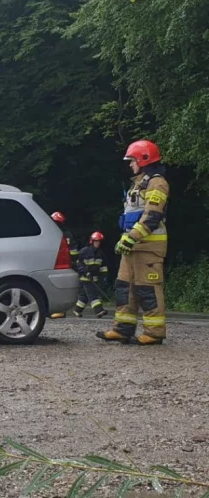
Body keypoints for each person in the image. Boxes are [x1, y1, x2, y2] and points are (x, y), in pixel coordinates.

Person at [96, 140, 169, 345]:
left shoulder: (157, 183)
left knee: (148, 289)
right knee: (124, 288)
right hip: (132, 246)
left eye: (132, 160)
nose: (130, 164)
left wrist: (131, 237)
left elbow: (152, 216)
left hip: (148, 248)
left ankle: (154, 333)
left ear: (144, 159)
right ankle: (122, 329)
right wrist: (127, 239)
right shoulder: (138, 183)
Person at [49, 211, 79, 319]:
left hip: (63, 264)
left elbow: (73, 249)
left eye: (58, 223)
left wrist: (73, 260)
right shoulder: (49, 233)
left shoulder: (66, 234)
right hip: (52, 262)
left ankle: (61, 310)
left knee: (61, 286)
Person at [72, 231, 109, 318]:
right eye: (96, 241)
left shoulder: (100, 253)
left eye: (99, 241)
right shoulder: (84, 251)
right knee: (93, 295)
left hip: (94, 278)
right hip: (85, 278)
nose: (98, 243)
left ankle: (77, 310)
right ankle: (99, 311)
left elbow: (103, 266)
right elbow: (78, 263)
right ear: (92, 241)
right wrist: (84, 271)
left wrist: (104, 277)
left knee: (84, 296)